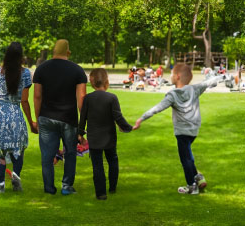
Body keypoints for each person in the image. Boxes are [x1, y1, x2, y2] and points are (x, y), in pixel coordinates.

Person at [133, 62, 222, 195]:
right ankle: (198, 177)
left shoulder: (172, 95)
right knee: (188, 155)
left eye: (172, 74)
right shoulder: (195, 89)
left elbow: (157, 108)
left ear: (178, 76)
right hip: (194, 131)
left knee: (185, 159)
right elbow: (211, 82)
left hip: (182, 132)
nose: (171, 76)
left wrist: (141, 118)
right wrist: (223, 77)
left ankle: (192, 187)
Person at [32, 39, 87, 195]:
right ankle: (67, 186)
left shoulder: (41, 69)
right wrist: (82, 127)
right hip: (68, 118)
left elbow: (37, 96)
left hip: (46, 117)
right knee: (70, 153)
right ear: (68, 52)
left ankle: (49, 188)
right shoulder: (77, 71)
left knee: (47, 156)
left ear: (53, 52)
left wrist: (38, 118)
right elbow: (81, 100)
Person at [0, 42, 36, 193]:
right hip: (16, 115)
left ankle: (1, 185)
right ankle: (16, 176)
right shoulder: (26, 74)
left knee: (0, 151)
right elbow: (24, 101)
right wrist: (31, 122)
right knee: (18, 149)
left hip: (0, 116)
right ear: (21, 57)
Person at [78, 68, 133, 200]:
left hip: (94, 137)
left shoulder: (88, 99)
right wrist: (128, 127)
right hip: (109, 136)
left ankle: (101, 193)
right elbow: (118, 117)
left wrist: (80, 134)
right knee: (113, 160)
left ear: (92, 82)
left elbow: (83, 118)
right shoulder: (112, 98)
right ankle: (112, 187)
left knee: (97, 165)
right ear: (106, 81)